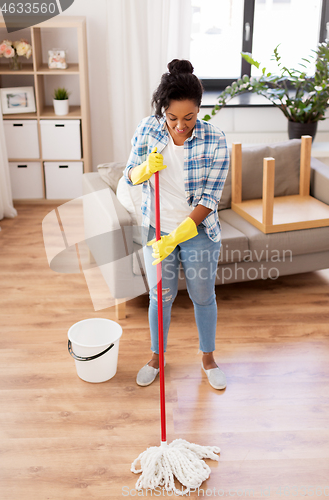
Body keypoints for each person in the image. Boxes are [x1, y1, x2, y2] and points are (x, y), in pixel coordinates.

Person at [123, 59, 229, 390]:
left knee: (202, 296)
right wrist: (142, 171)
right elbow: (129, 174)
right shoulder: (148, 129)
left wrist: (180, 235)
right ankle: (157, 358)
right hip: (156, 227)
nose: (180, 125)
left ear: (199, 110)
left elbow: (210, 199)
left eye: (189, 117)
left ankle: (208, 358)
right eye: (172, 118)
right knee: (160, 298)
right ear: (162, 112)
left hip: (198, 233)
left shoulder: (215, 140)